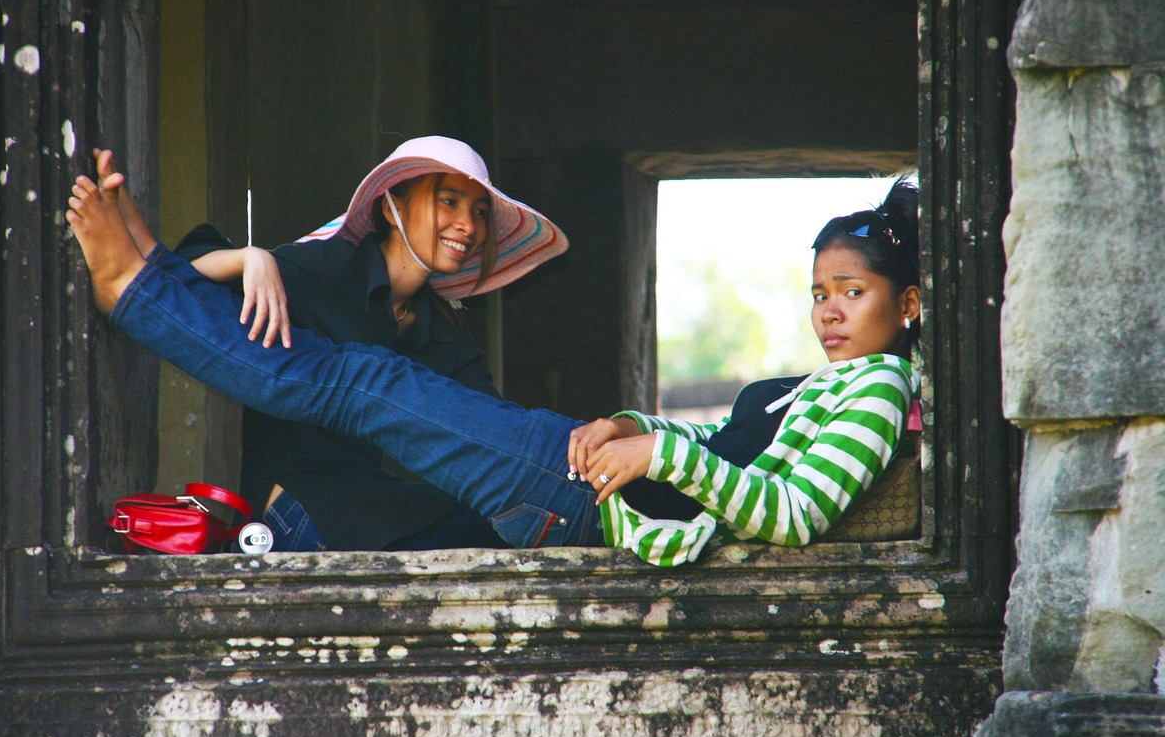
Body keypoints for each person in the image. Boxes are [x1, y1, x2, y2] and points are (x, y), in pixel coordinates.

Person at [66, 169, 921, 568]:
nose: (831, 311)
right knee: (366, 378)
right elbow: (730, 451)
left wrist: (659, 459)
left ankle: (137, 290)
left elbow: (793, 511)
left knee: (365, 382)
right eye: (820, 292)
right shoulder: (824, 386)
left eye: (854, 292)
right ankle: (149, 278)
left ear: (909, 306)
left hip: (602, 505)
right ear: (394, 206)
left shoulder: (882, 387)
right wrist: (641, 428)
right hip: (597, 478)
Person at [94, 137, 569, 552]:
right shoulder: (328, 268)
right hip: (294, 510)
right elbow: (186, 298)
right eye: (449, 202)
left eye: (479, 211)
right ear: (392, 207)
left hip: (370, 505)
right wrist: (248, 258)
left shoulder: (442, 330)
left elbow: (494, 433)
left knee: (507, 519)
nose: (468, 225)